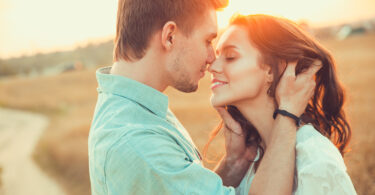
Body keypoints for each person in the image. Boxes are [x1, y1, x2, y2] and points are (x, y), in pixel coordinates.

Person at [88, 0, 319, 194]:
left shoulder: (136, 110)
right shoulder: (137, 143)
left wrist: (234, 163)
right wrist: (287, 113)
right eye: (208, 41)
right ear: (170, 36)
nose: (211, 59)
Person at [207, 14, 357, 194]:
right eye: (217, 55)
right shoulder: (248, 159)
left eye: (230, 57)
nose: (212, 66)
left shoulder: (315, 160)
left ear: (271, 70)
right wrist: (232, 164)